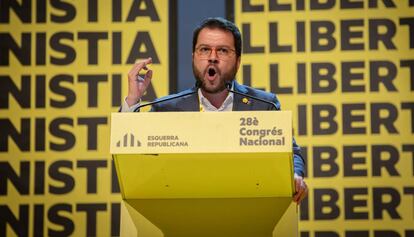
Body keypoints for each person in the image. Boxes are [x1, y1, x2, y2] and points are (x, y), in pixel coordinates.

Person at [121, 17, 308, 204]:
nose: (212, 57)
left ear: (238, 61)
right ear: (194, 57)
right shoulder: (167, 108)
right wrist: (133, 99)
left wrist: (295, 176)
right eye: (204, 49)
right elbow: (132, 160)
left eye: (223, 50)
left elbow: (292, 154)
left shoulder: (263, 105)